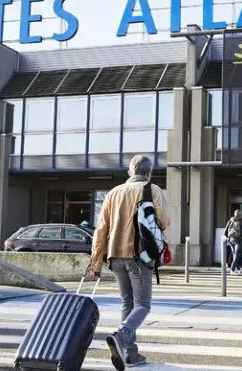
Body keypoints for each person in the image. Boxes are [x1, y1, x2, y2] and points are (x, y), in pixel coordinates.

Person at [87, 155, 169, 370]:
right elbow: (164, 221)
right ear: (149, 172)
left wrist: (96, 262)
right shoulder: (153, 190)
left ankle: (130, 354)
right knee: (143, 304)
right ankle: (121, 336)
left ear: (130, 172)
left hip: (114, 256)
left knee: (127, 303)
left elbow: (101, 229)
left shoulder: (113, 193)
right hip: (139, 256)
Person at [224, 210, 242, 274]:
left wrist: (227, 238)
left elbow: (226, 231)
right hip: (239, 240)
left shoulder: (230, 220)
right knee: (237, 254)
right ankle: (232, 269)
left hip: (231, 240)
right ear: (240, 214)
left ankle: (238, 269)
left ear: (234, 214)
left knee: (235, 254)